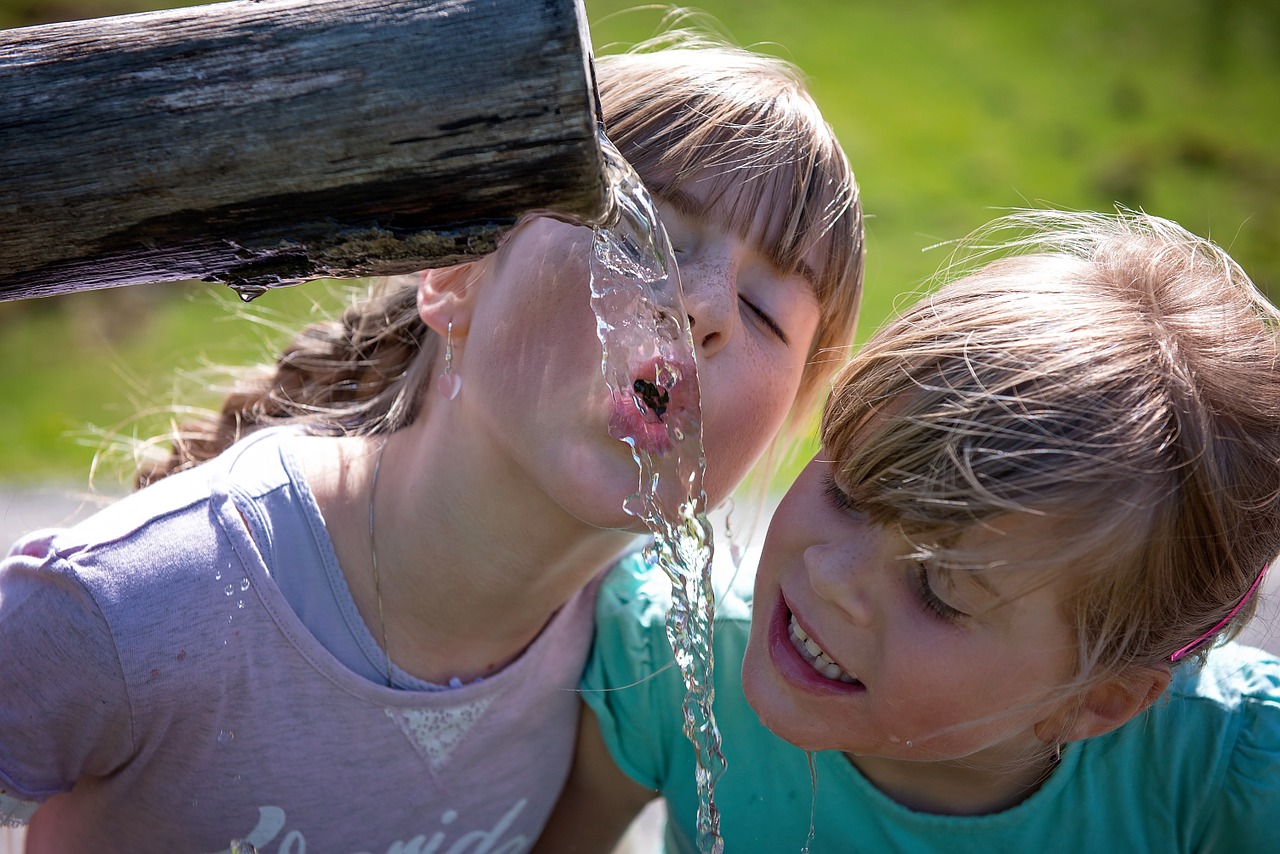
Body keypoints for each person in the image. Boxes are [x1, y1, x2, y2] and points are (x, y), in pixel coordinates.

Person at [0, 38, 864, 852]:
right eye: (644, 238)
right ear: (454, 277)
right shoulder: (145, 600)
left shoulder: (641, 662)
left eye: (763, 312)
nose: (703, 308)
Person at [540, 209, 1280, 852]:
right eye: (850, 489)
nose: (833, 574)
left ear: (1096, 702)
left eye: (938, 589)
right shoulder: (672, 660)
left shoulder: (1225, 779)